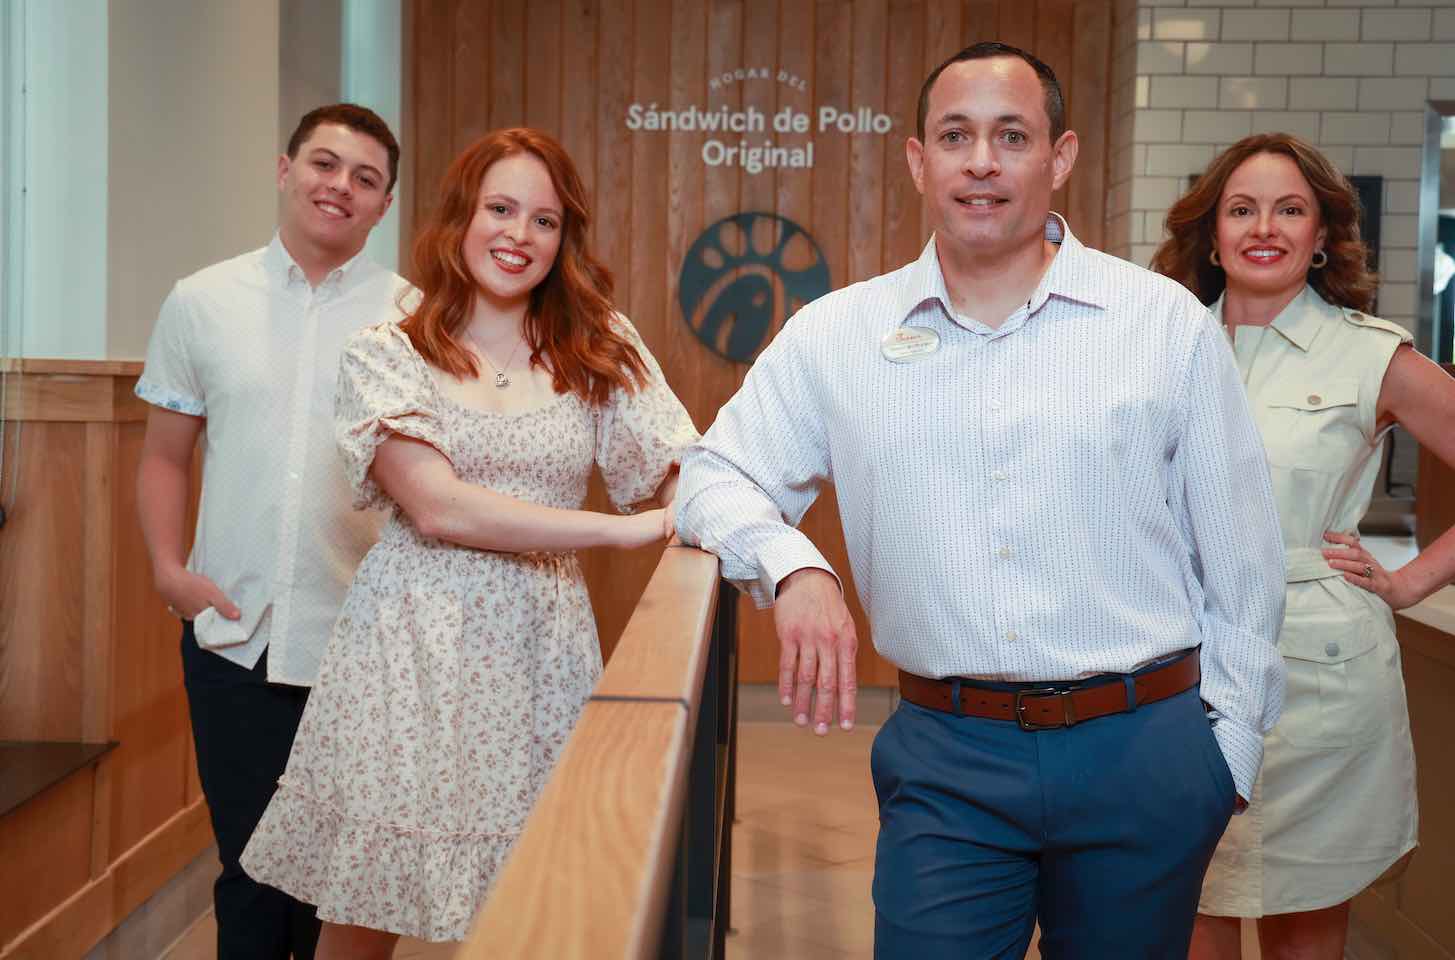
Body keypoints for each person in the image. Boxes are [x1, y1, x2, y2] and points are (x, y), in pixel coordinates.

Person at [674, 42, 1287, 957]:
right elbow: (710, 477)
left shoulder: (1160, 325)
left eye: (1011, 135)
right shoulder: (840, 334)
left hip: (1142, 751)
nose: (982, 163)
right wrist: (795, 567)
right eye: (955, 136)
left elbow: (1242, 559)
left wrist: (1222, 754)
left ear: (1060, 156)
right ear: (919, 160)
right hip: (947, 758)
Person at [239, 127, 698, 958]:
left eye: (544, 220)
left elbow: (676, 468)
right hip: (409, 649)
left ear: (565, 239)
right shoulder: (389, 350)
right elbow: (438, 507)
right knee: (365, 905)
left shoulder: (598, 345)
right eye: (500, 209)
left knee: (538, 899)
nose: (518, 236)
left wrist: (689, 510)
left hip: (541, 654)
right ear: (459, 217)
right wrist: (618, 529)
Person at [1151, 133, 1455, 960]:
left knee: (1303, 936)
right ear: (1210, 232)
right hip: (1179, 675)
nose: (1265, 227)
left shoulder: (1368, 353)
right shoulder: (1157, 345)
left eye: (1290, 210)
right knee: (1189, 917)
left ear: (1321, 235)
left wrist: (1408, 583)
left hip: (1318, 686)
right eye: (1241, 208)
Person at [135, 103, 407, 960]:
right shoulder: (202, 302)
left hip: (363, 641)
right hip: (233, 635)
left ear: (384, 204)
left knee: (341, 880)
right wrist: (168, 571)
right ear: (283, 169)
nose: (340, 188)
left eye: (365, 179)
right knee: (250, 870)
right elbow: (165, 458)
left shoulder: (415, 317)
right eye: (324, 165)